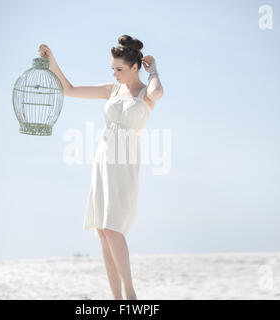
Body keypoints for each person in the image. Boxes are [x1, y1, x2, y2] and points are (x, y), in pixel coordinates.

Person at [38, 35, 163, 300]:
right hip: (103, 158)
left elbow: (158, 92)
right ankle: (116, 298)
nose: (115, 74)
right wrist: (52, 62)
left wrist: (154, 70)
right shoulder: (111, 90)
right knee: (103, 230)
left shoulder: (144, 93)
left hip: (124, 162)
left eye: (119, 69)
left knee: (114, 227)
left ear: (135, 67)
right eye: (112, 69)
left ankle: (131, 296)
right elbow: (69, 89)